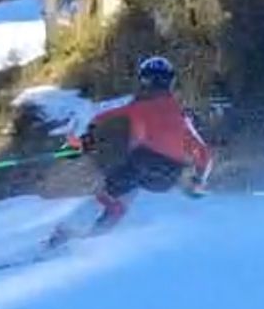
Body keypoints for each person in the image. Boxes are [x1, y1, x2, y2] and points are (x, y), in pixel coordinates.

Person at [47, 55, 213, 248]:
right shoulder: (181, 115)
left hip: (141, 163)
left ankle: (64, 236)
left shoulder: (135, 106)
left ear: (144, 81)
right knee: (124, 194)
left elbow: (97, 118)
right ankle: (95, 236)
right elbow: (204, 154)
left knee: (106, 194)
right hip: (169, 176)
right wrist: (199, 180)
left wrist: (77, 144)